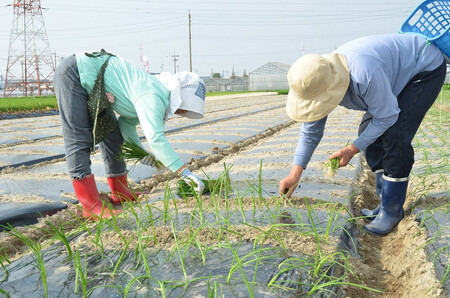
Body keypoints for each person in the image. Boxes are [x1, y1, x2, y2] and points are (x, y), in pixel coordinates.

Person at [279, 34, 446, 236]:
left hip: (422, 68)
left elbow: (387, 116)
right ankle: (385, 202)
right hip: (392, 78)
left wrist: (352, 148)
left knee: (395, 135)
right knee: (368, 134)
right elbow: (310, 132)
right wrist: (294, 174)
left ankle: (392, 211)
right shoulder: (316, 79)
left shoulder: (363, 74)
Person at [54, 50, 206, 220]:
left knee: (113, 136)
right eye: (187, 107)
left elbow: (126, 123)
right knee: (79, 137)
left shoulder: (155, 94)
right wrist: (184, 172)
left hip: (95, 81)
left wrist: (140, 151)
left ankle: (120, 191)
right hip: (75, 73)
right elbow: (156, 139)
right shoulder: (153, 94)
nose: (184, 112)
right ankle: (89, 203)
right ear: (181, 96)